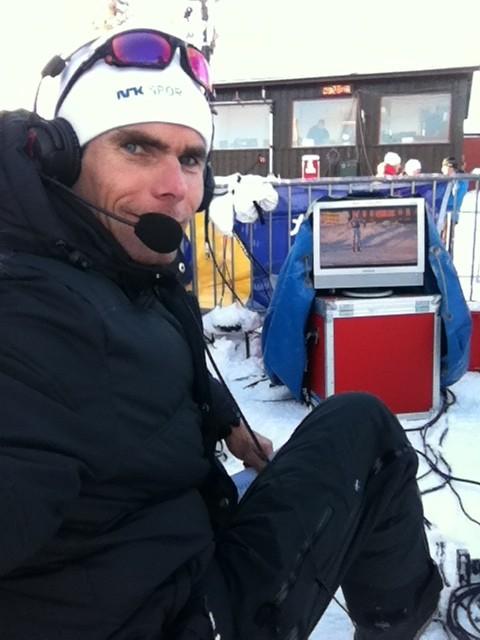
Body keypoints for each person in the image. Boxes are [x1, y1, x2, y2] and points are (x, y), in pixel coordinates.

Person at [0, 23, 442, 640]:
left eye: (190, 159)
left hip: (179, 549)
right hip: (184, 614)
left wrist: (223, 418)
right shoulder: (33, 315)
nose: (176, 189)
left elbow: (149, 351)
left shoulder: (111, 264)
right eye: (137, 147)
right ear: (62, 159)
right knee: (364, 425)